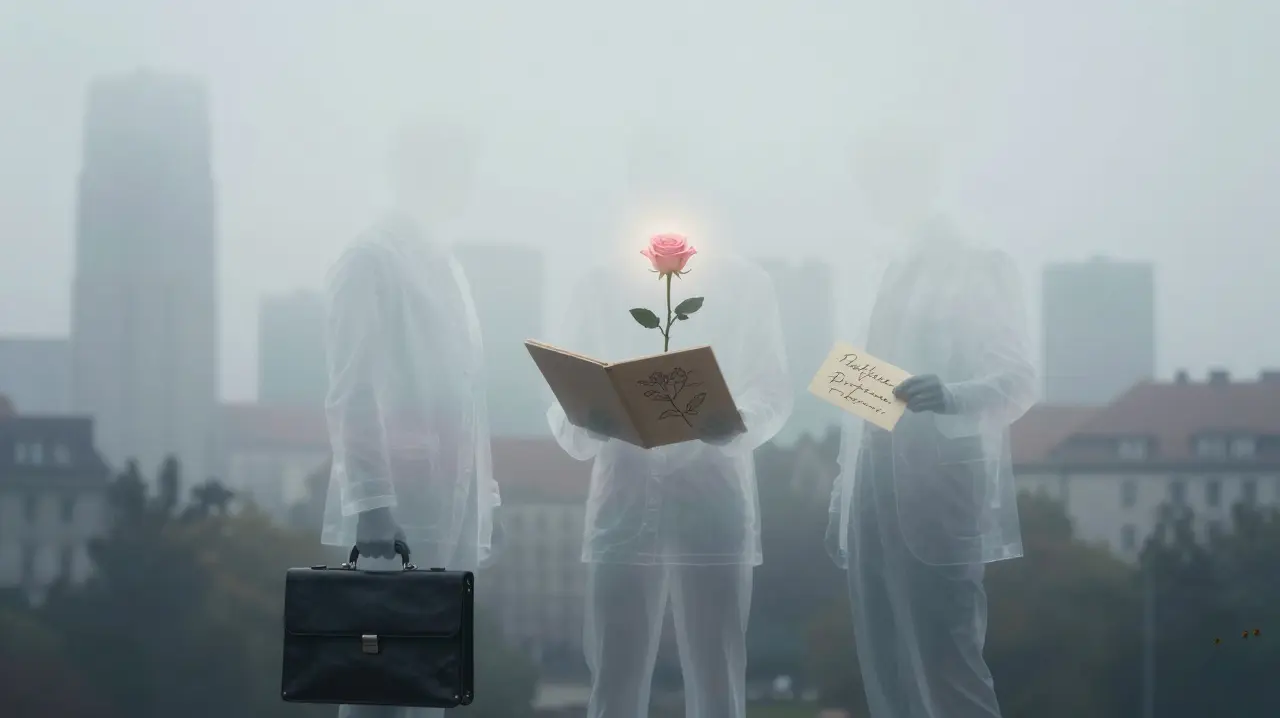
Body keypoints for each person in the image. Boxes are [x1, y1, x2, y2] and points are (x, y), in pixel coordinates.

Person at [545, 143, 792, 718]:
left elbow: (772, 389)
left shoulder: (746, 285)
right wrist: (588, 421)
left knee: (717, 677)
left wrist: (731, 424)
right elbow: (561, 398)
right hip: (624, 503)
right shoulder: (598, 285)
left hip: (712, 502)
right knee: (613, 677)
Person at [825, 128, 1038, 718]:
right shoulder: (876, 271)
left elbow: (1018, 379)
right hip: (871, 492)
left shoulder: (980, 265)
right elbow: (863, 391)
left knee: (949, 665)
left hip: (939, 490)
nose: (869, 195)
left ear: (916, 179)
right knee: (885, 664)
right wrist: (843, 494)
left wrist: (951, 395)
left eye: (878, 179)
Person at [321, 120, 501, 718]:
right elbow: (352, 390)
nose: (466, 186)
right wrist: (371, 505)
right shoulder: (369, 259)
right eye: (454, 170)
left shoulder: (447, 267)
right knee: (380, 691)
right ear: (412, 174)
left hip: (446, 503)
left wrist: (484, 499)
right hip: (396, 513)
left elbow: (467, 396)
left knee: (425, 686)